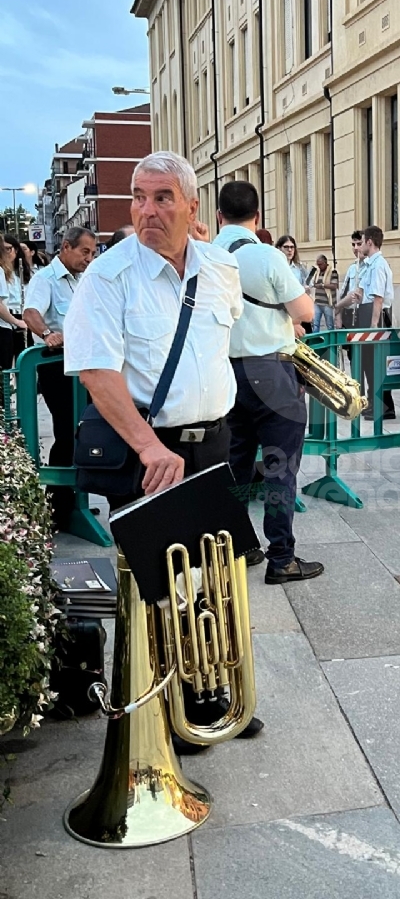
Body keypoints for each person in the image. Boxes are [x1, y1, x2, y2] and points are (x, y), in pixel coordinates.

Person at [64, 153, 267, 753]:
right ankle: (158, 708)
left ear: (191, 206)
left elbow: (221, 341)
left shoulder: (221, 269)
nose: (147, 210)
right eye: (139, 197)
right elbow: (97, 374)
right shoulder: (109, 276)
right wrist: (152, 447)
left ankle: (208, 697)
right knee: (157, 586)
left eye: (162, 198)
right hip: (150, 450)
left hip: (213, 442)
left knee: (212, 580)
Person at [213, 180, 324, 585]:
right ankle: (282, 558)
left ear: (219, 215)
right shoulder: (267, 256)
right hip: (270, 372)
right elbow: (305, 310)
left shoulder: (205, 256)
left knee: (235, 465)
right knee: (280, 467)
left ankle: (238, 547)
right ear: (257, 216)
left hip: (223, 375)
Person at [23, 226, 97, 527]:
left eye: (92, 253)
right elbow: (30, 314)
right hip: (58, 370)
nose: (89, 259)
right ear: (65, 247)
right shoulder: (46, 280)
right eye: (84, 252)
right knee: (66, 432)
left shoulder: (83, 280)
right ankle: (57, 506)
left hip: (84, 368)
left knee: (84, 432)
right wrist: (48, 333)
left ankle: (74, 499)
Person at [355, 226, 396, 420]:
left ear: (370, 242)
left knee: (376, 363)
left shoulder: (379, 265)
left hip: (377, 317)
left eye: (362, 241)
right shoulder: (369, 264)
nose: (360, 246)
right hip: (368, 312)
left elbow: (378, 298)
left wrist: (373, 327)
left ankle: (383, 406)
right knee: (369, 364)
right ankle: (374, 402)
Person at [1, 234, 32, 360]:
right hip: (6, 317)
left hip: (22, 315)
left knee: (22, 359)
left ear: (16, 250)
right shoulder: (1, 271)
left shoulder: (24, 271)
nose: (5, 253)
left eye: (8, 248)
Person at [335, 231, 363, 329]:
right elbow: (342, 293)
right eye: (353, 244)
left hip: (363, 316)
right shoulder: (352, 268)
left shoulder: (371, 267)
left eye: (359, 244)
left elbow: (355, 295)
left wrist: (338, 306)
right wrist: (338, 317)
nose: (355, 248)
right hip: (348, 315)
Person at [306, 254, 338, 332]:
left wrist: (322, 285)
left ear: (325, 262)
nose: (319, 266)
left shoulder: (333, 272)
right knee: (315, 324)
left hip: (327, 303)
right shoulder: (317, 272)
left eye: (320, 264)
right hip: (317, 302)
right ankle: (316, 341)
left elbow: (334, 286)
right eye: (318, 264)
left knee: (330, 325)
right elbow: (310, 282)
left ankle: (331, 342)